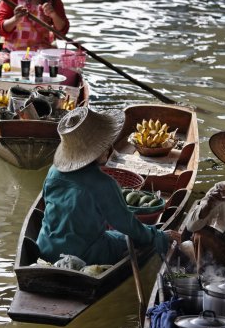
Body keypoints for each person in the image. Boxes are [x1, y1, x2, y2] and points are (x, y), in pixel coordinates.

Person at [37, 106, 181, 265]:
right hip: (82, 255)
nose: (109, 148)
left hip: (45, 247)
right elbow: (129, 226)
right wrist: (158, 235)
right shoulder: (104, 184)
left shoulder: (53, 172)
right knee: (128, 238)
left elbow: (47, 204)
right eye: (105, 145)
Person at [186, 131, 225, 273]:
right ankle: (204, 281)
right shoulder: (221, 189)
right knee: (200, 235)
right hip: (219, 250)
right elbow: (191, 227)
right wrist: (208, 205)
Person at [0, 0, 69, 51]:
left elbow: (61, 34)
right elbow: (1, 29)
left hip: (42, 54)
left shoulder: (54, 0)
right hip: (13, 52)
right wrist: (15, 19)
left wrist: (53, 15)